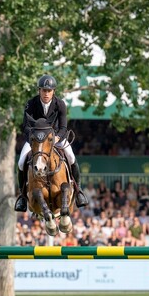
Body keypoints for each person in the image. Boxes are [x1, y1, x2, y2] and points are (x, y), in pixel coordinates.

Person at [14, 74, 88, 212]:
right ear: (39, 90)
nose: (46, 93)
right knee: (21, 161)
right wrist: (33, 139)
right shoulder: (31, 103)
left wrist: (57, 138)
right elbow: (25, 126)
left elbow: (63, 127)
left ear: (53, 91)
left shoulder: (60, 104)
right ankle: (23, 197)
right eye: (43, 90)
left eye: (49, 91)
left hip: (55, 138)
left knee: (71, 157)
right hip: (36, 140)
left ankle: (78, 191)